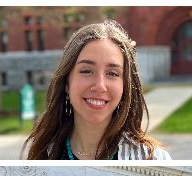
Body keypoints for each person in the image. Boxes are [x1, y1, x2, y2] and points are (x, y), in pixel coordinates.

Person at [24, 20, 169, 161]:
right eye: (87, 71)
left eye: (112, 73)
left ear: (125, 87)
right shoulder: (42, 157)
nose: (100, 85)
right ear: (67, 82)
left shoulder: (153, 160)